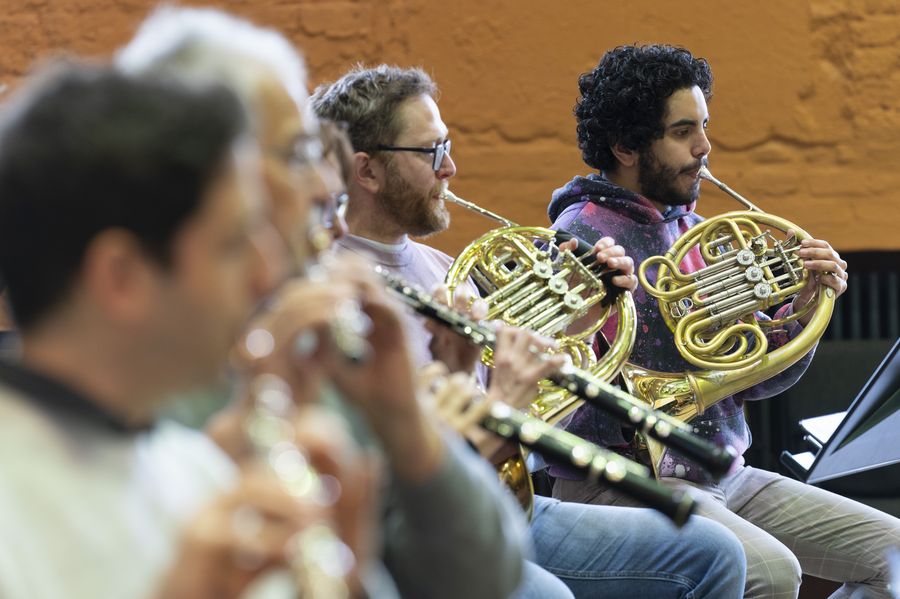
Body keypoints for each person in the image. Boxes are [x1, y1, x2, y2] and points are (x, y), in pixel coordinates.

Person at [117, 8, 531, 599]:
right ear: (200, 177)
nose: (319, 188)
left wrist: (407, 428)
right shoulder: (148, 383)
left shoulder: (317, 347)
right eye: (295, 154)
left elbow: (482, 578)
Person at [312, 63, 748, 598]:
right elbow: (397, 474)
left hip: (505, 498)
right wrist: (503, 402)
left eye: (447, 145)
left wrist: (584, 318)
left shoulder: (440, 266)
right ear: (368, 171)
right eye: (430, 153)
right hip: (421, 525)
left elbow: (539, 400)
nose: (451, 167)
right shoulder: (326, 295)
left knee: (715, 552)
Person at [0, 62, 379, 599]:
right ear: (122, 276)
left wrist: (352, 579)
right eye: (232, 243)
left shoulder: (196, 468)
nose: (267, 270)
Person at [547, 43, 900, 598]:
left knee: (896, 556)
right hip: (623, 481)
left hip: (722, 475)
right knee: (771, 571)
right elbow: (568, 381)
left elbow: (760, 380)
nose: (705, 148)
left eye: (704, 127)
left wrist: (806, 305)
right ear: (625, 145)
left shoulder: (697, 230)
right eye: (683, 131)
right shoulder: (581, 235)